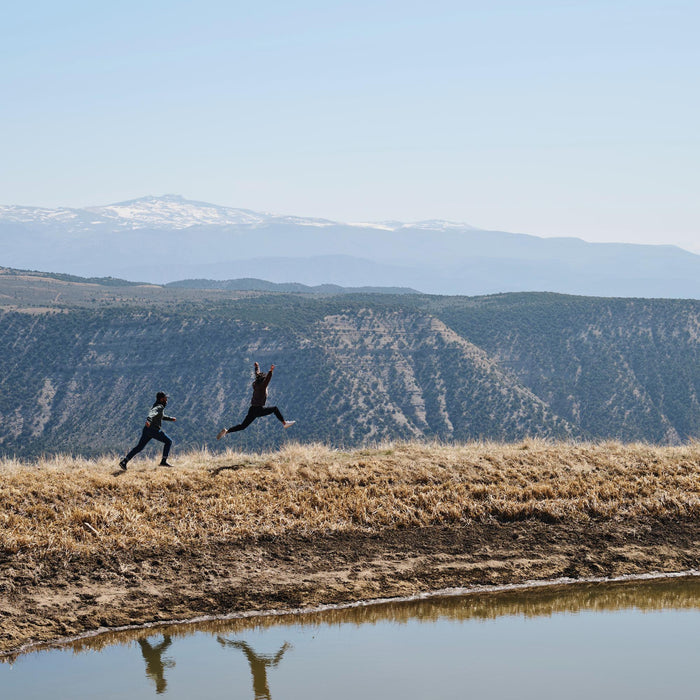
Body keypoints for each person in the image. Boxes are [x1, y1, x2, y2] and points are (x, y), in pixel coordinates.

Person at [217, 362, 294, 440]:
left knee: (243, 426)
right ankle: (284, 423)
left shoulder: (256, 385)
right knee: (275, 409)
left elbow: (257, 374)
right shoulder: (263, 386)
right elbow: (267, 379)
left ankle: (227, 431)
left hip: (252, 409)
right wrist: (271, 371)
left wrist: (257, 367)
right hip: (258, 410)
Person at [120, 391, 176, 469]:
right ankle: (163, 461)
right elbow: (152, 413)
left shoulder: (156, 405)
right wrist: (149, 420)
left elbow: (161, 416)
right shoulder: (159, 407)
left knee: (139, 447)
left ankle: (124, 461)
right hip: (154, 430)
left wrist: (170, 419)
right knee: (168, 441)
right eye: (165, 398)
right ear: (161, 399)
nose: (166, 400)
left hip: (147, 430)